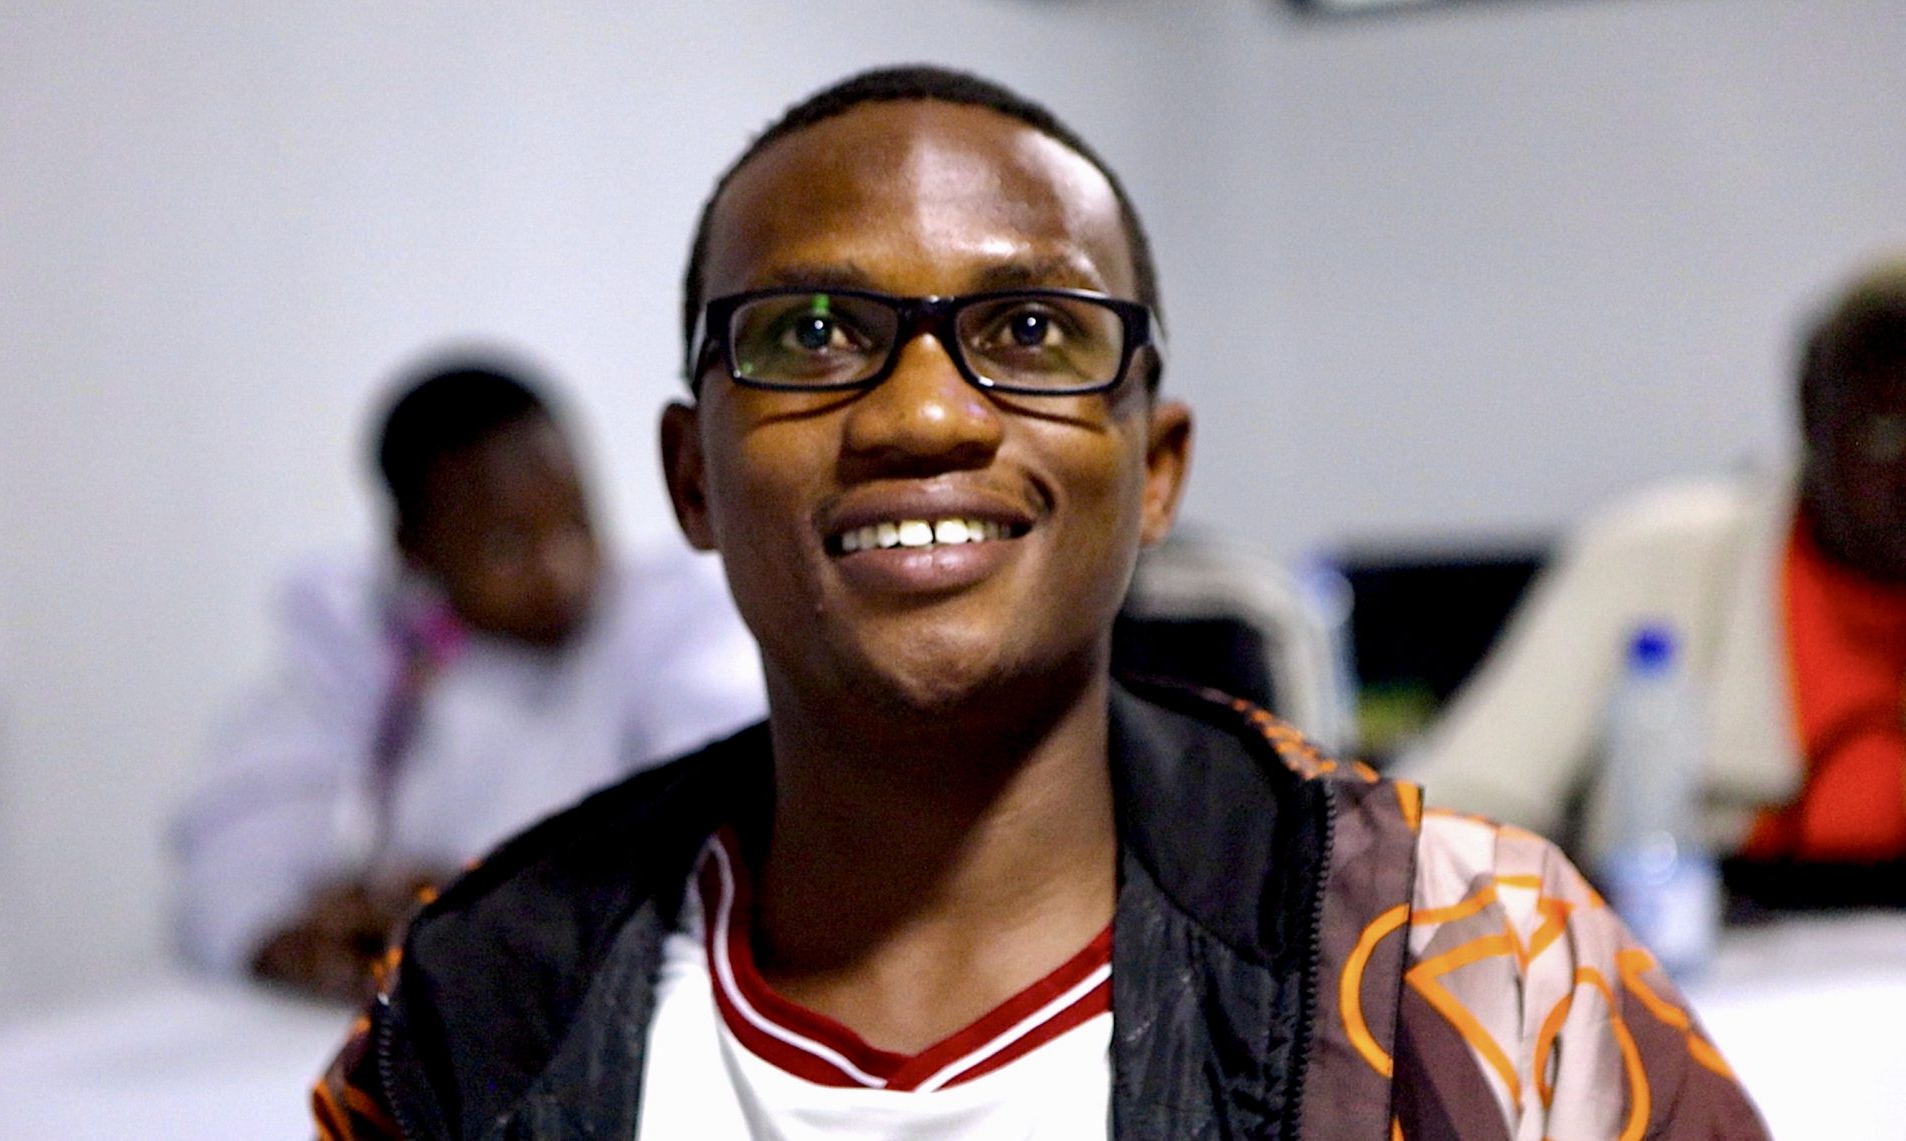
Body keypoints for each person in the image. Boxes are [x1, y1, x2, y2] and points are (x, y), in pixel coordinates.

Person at [315, 68, 1763, 1138]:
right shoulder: (475, 1004)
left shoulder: (1471, 962)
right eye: (811, 333)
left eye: (1028, 328)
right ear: (693, 477)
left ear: (1156, 471)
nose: (924, 413)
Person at [171, 358, 765, 1001]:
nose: (559, 569)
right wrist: (297, 938)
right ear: (413, 548)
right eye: (506, 548)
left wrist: (480, 910)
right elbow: (233, 859)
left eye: (576, 522)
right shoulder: (361, 637)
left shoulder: (673, 622)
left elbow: (714, 835)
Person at [1408, 259, 1906, 900]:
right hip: (1689, 953)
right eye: (1885, 432)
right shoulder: (1654, 559)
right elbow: (1452, 815)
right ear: (1812, 426)